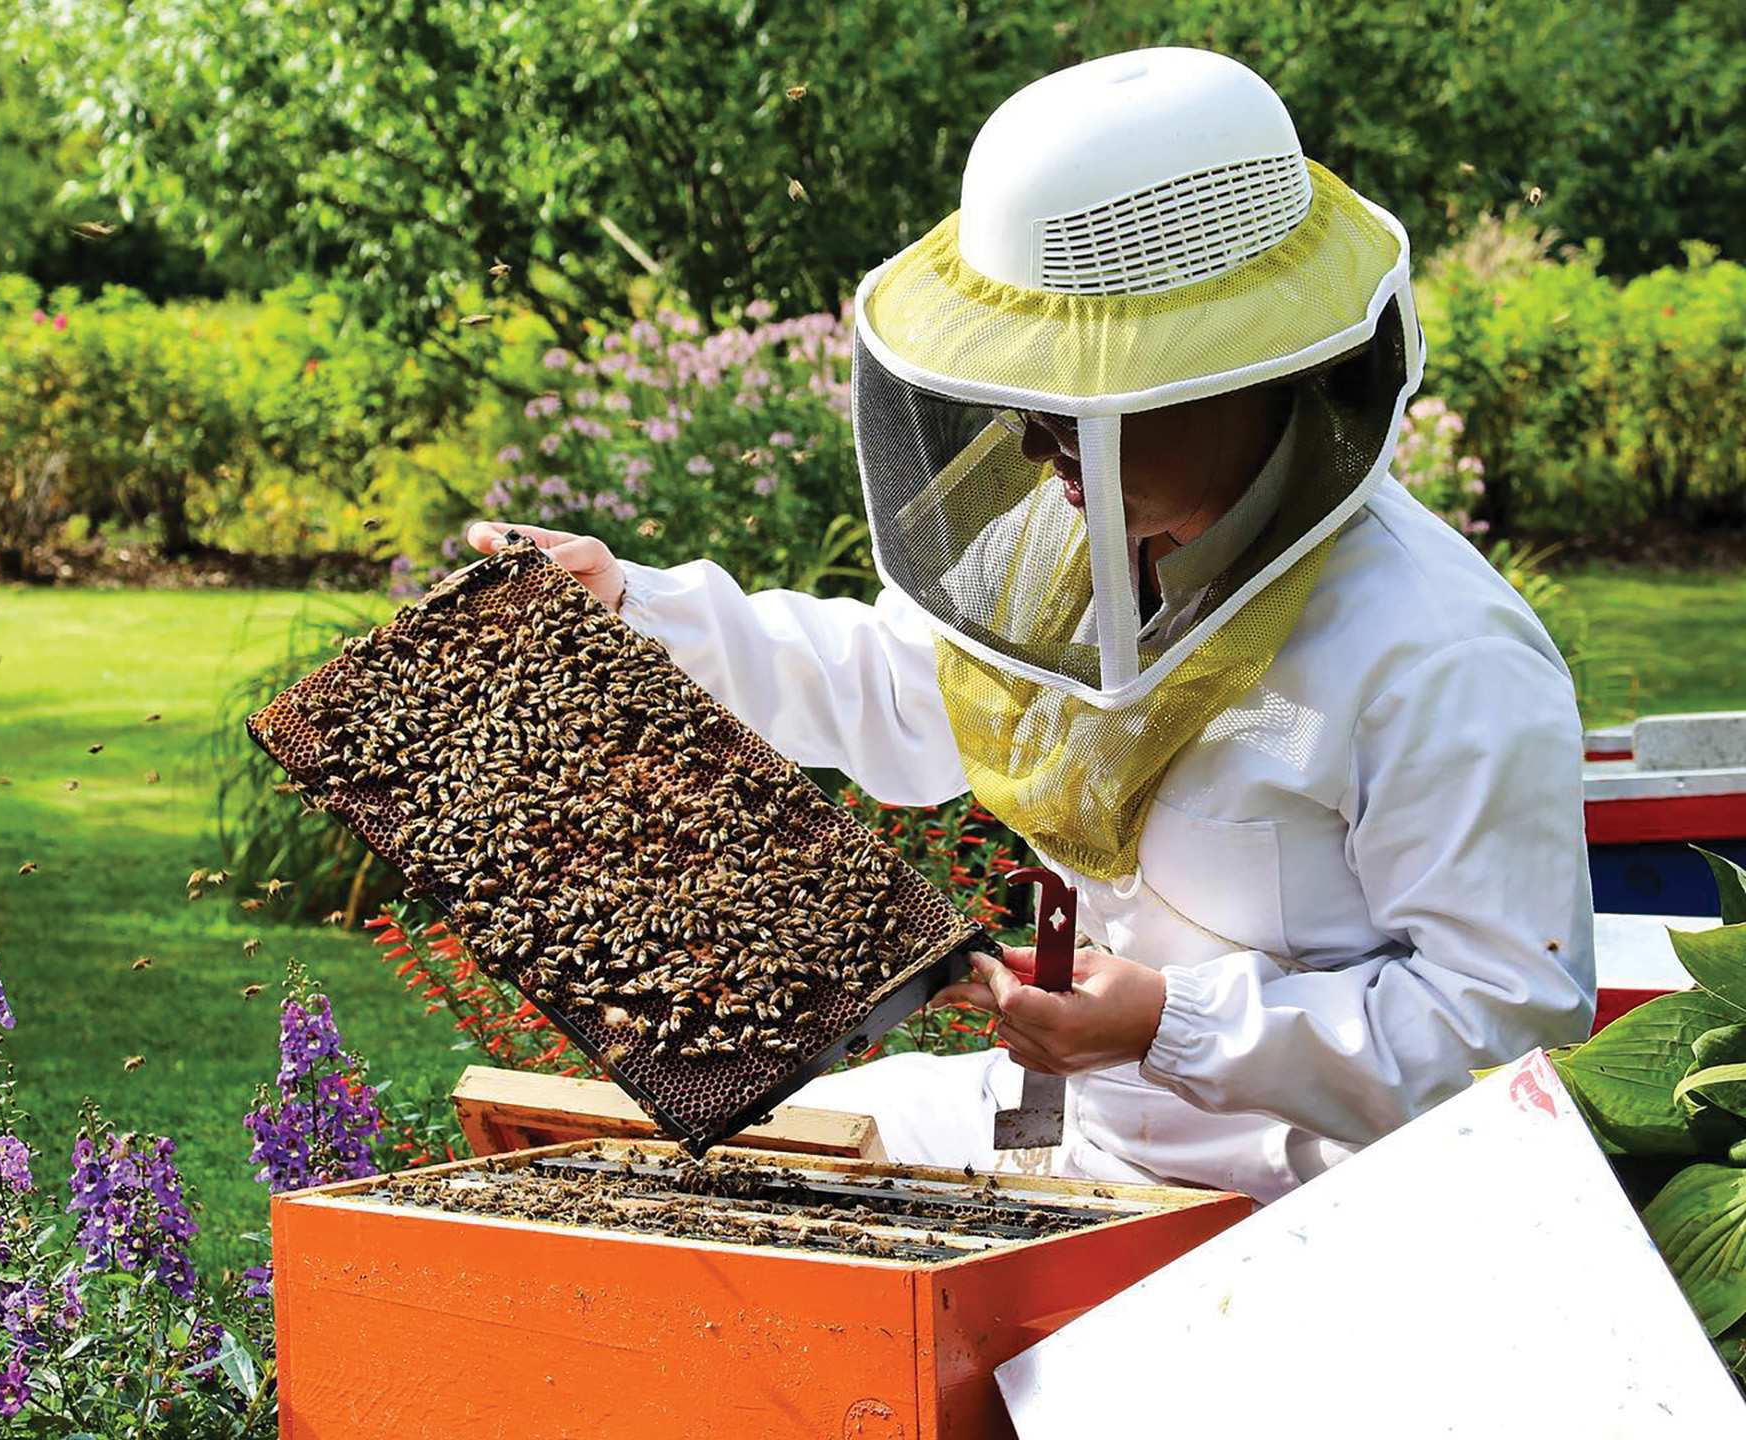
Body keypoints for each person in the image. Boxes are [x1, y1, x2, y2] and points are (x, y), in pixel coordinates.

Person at [465, 47, 1594, 1202]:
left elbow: (1503, 1032)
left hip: (1313, 1216)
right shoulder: (1069, 539)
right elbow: (903, 690)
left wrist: (1176, 1024)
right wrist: (635, 613)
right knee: (697, 1177)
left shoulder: (1442, 654)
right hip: (1068, 1140)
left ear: (1224, 376)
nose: (1027, 438)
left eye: (1068, 401)